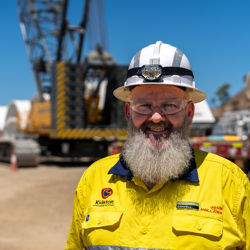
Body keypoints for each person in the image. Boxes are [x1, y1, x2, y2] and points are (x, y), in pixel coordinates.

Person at [65, 41, 250, 250]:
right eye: (144, 106)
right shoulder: (95, 179)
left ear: (189, 113)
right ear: (128, 113)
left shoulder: (230, 183)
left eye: (169, 106)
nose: (155, 117)